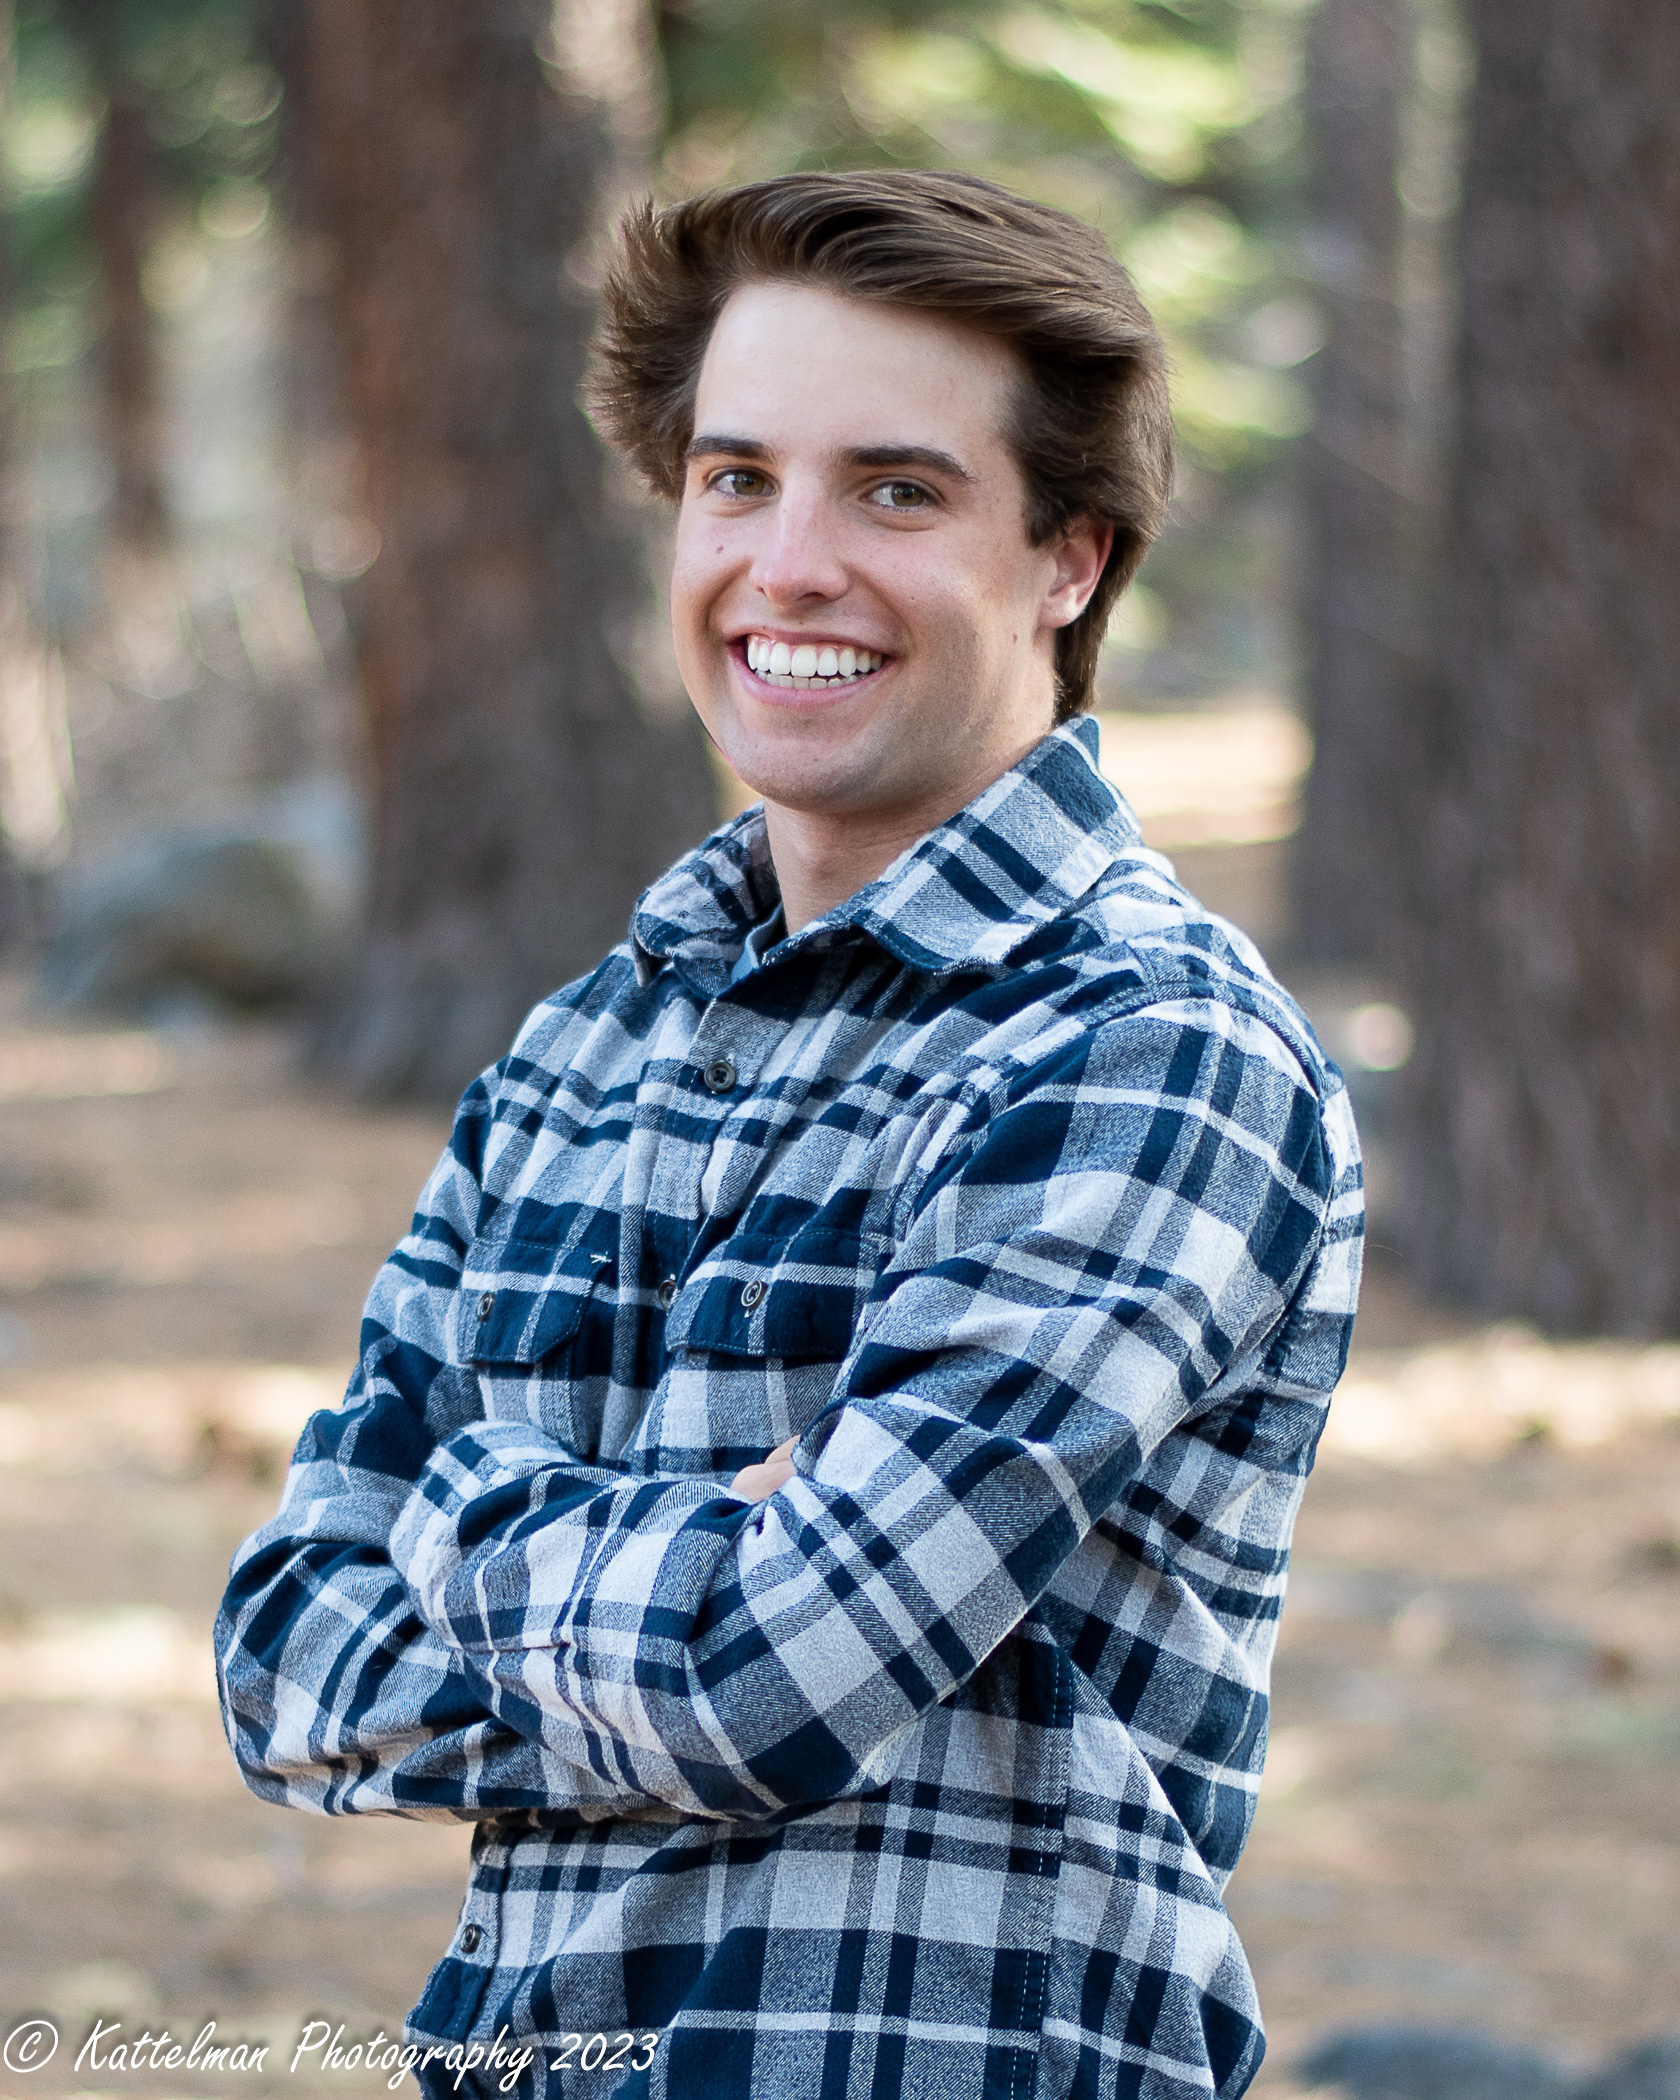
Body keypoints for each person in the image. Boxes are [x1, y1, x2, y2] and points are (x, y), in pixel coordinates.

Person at [217, 170, 1362, 2100]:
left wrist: (460, 1505)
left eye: (896, 493)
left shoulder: (1149, 1053)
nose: (790, 563)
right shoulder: (586, 1047)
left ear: (1070, 559)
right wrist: (695, 1581)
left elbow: (758, 1685)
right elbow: (278, 1654)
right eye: (736, 480)